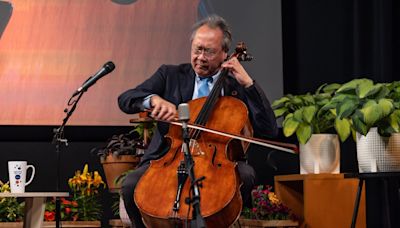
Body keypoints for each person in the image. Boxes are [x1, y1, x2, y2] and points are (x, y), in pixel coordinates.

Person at [118, 15, 278, 228]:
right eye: (197, 49)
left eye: (209, 51)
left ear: (224, 54)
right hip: (167, 157)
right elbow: (126, 98)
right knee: (130, 185)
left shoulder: (235, 86)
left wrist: (248, 83)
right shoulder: (170, 75)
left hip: (217, 163)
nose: (201, 57)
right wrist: (153, 100)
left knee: (246, 175)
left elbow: (269, 129)